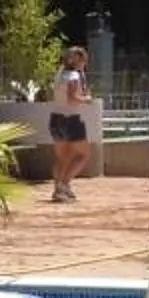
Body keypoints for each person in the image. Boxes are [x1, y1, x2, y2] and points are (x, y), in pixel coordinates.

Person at [48, 43, 94, 203]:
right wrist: (87, 99)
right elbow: (73, 97)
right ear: (79, 60)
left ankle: (57, 190)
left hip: (56, 118)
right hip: (71, 119)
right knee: (83, 154)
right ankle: (64, 184)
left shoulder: (60, 73)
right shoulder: (74, 76)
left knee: (62, 157)